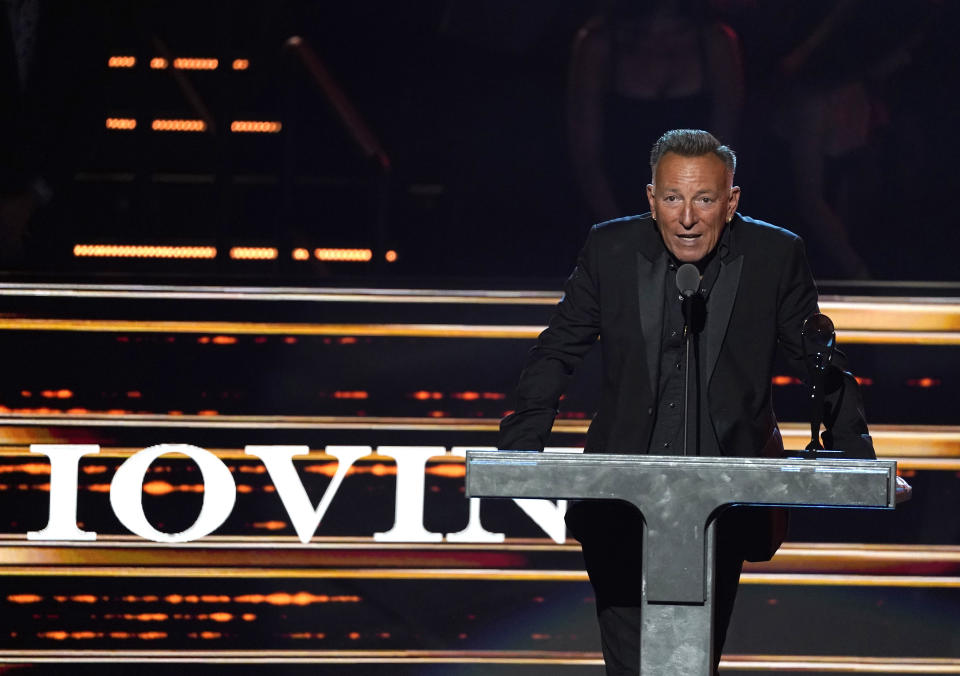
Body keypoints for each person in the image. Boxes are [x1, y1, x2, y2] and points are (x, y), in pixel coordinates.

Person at [499, 129, 874, 676]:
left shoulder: (774, 254)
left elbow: (818, 361)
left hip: (722, 506)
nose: (688, 217)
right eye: (673, 198)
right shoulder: (611, 248)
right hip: (620, 501)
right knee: (633, 663)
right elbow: (559, 348)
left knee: (692, 661)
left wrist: (856, 459)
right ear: (651, 200)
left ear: (732, 201)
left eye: (704, 199)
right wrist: (518, 451)